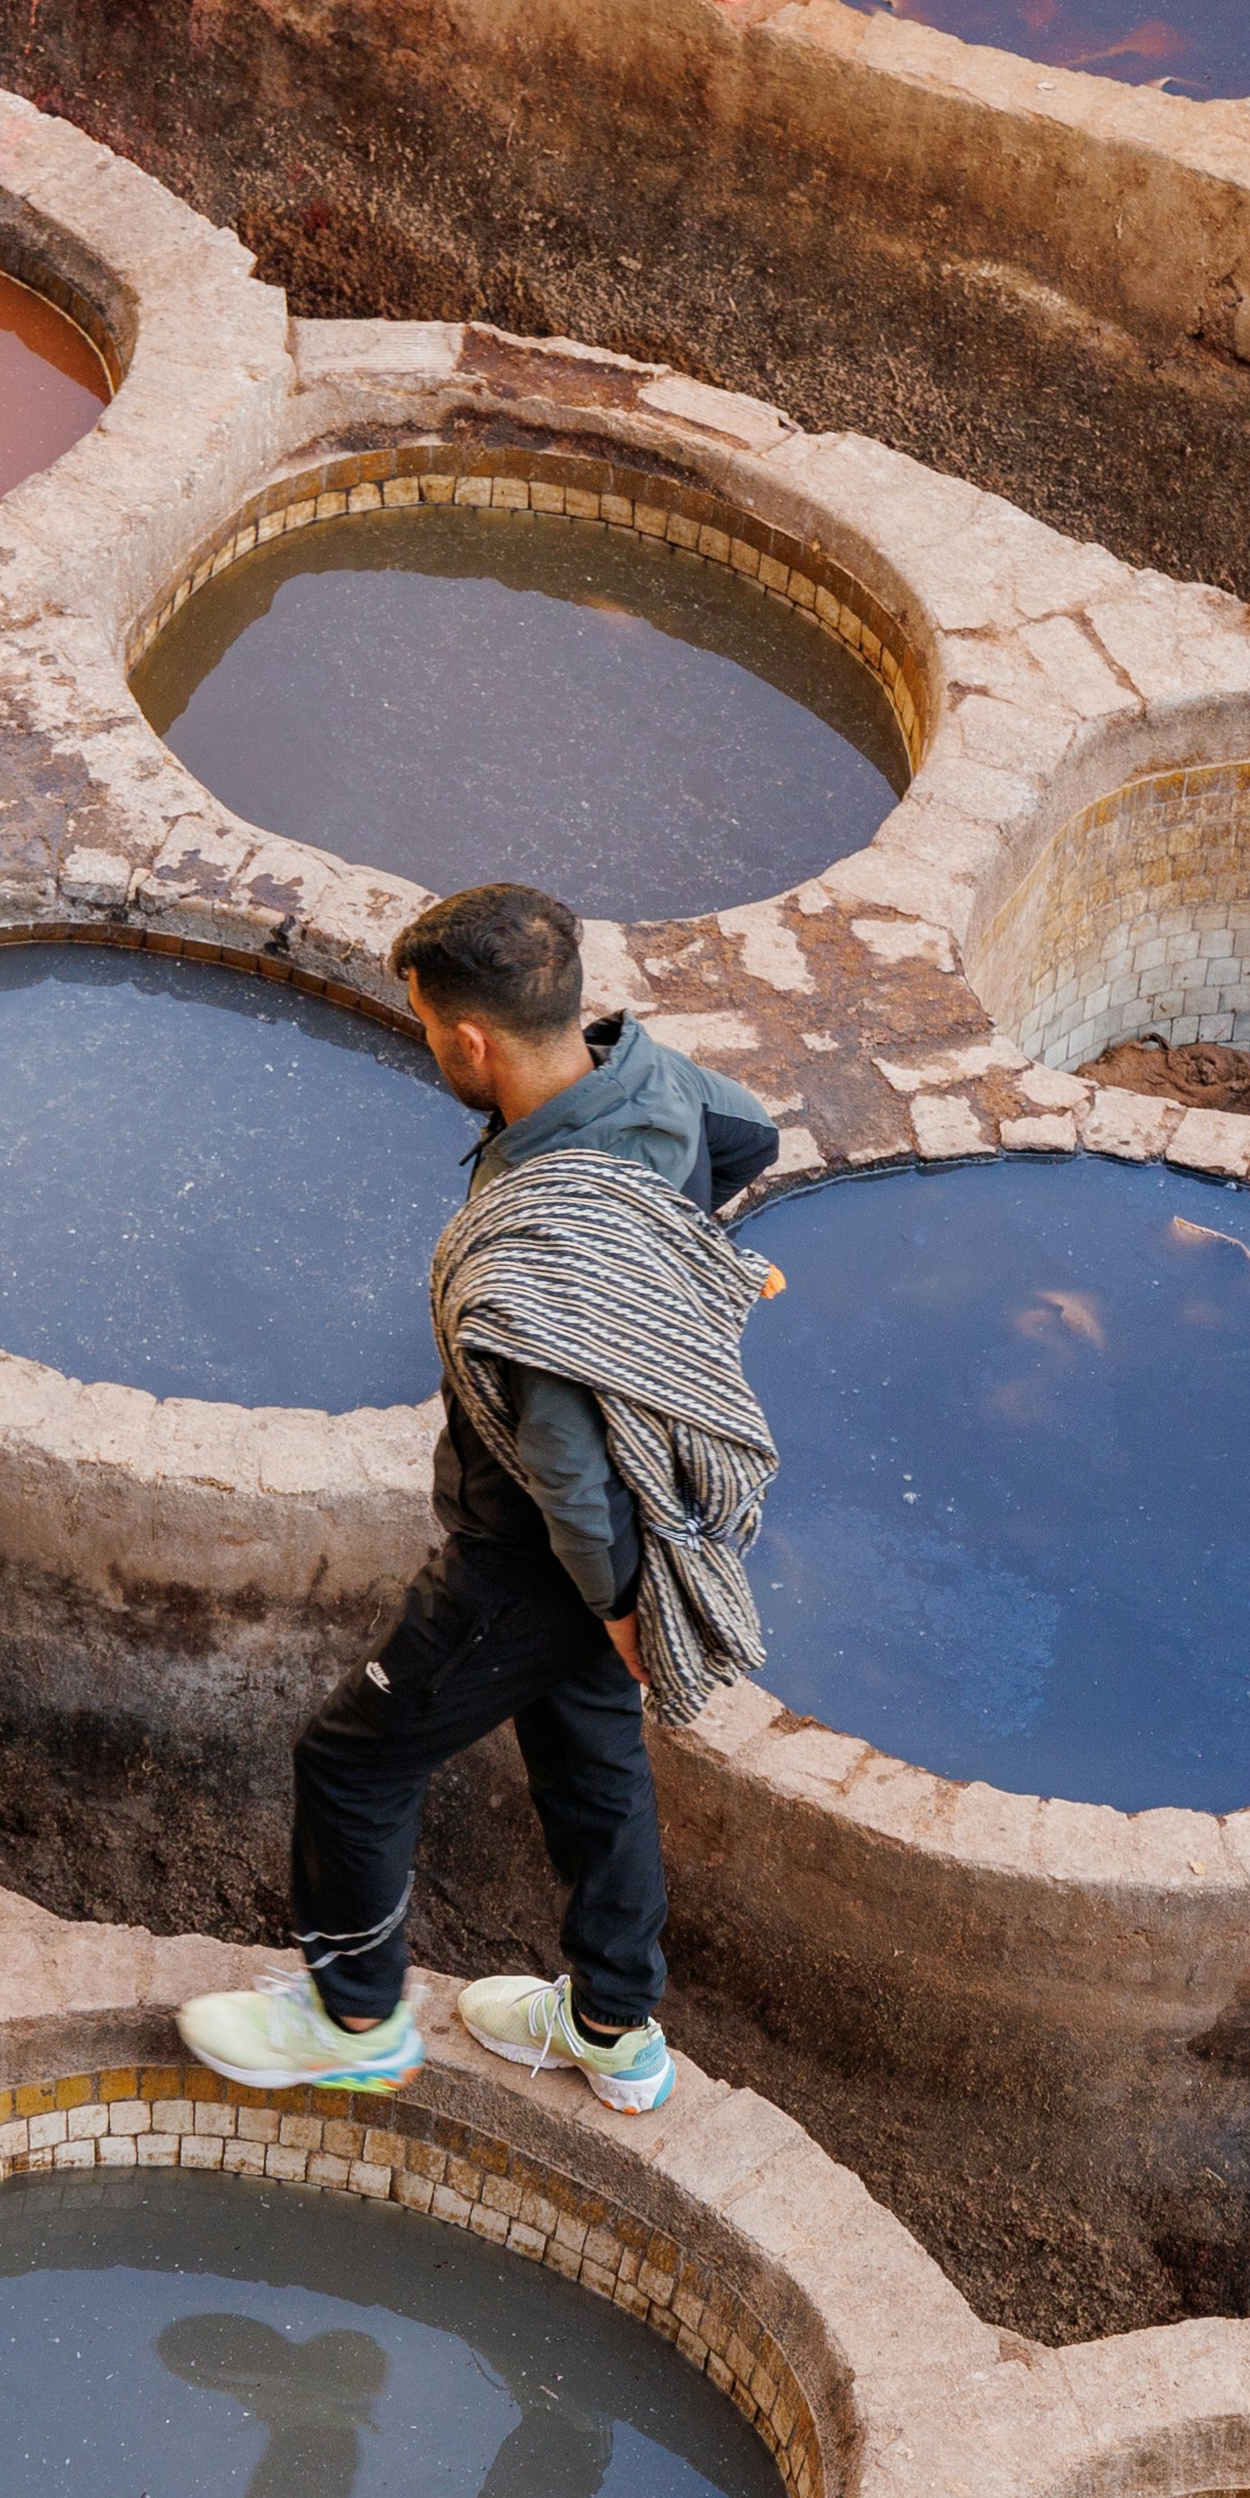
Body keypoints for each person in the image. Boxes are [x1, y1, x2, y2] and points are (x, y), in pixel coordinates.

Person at [180, 882, 782, 2115]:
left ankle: (351, 2016)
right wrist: (669, 1264)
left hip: (535, 1563)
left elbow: (560, 1457)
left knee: (349, 1760)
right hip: (610, 1538)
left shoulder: (538, 1240)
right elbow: (753, 1135)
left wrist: (618, 1607)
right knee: (592, 1771)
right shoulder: (648, 1081)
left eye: (422, 1026)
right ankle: (614, 2026)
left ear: (471, 1041)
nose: (424, 1045)